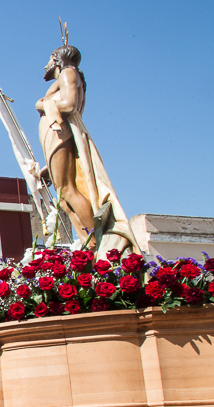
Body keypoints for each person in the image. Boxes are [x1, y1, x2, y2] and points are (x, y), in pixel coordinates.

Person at [33, 32, 136, 256]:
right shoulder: (70, 75)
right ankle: (88, 243)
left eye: (49, 59)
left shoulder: (69, 73)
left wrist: (43, 103)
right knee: (64, 198)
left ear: (57, 59)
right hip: (57, 136)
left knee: (68, 191)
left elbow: (69, 105)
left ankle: (100, 244)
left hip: (59, 132)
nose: (45, 65)